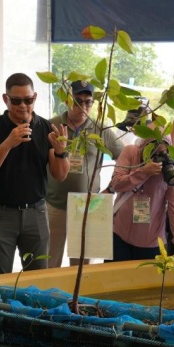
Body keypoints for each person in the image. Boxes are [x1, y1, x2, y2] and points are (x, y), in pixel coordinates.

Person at [0, 72, 69, 275]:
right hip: (0, 213)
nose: (22, 106)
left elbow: (60, 175)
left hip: (36, 212)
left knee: (37, 278)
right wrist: (8, 143)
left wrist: (61, 151)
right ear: (5, 99)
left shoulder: (45, 127)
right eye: (16, 101)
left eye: (28, 100)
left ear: (34, 98)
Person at [46, 80, 124, 267]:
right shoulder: (52, 126)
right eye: (78, 100)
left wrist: (112, 188)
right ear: (67, 100)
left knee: (81, 266)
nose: (83, 106)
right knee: (50, 263)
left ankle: (77, 298)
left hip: (88, 206)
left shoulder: (100, 130)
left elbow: (125, 158)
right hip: (54, 204)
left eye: (87, 101)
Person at [109, 133, 174, 261]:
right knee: (115, 279)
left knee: (147, 280)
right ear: (144, 148)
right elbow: (117, 183)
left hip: (151, 240)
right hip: (120, 234)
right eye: (154, 152)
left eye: (164, 152)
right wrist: (142, 172)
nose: (159, 157)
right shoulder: (131, 152)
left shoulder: (172, 169)